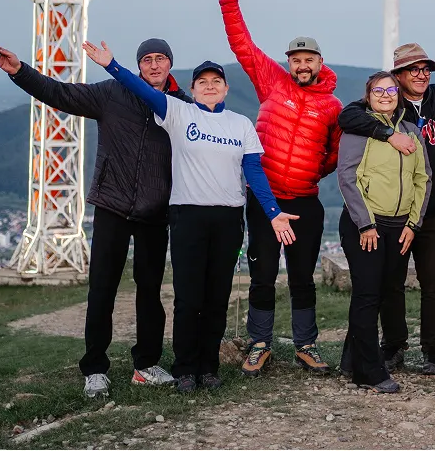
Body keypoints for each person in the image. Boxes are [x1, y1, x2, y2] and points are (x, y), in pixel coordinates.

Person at [82, 43, 299, 393]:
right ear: (192, 88)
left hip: (228, 219)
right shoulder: (179, 112)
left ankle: (208, 367)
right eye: (202, 81)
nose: (210, 85)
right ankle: (184, 368)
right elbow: (141, 89)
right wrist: (112, 66)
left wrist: (273, 213)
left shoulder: (241, 124)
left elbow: (254, 172)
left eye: (217, 81)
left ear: (226, 88)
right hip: (187, 217)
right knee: (188, 298)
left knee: (217, 297)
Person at [0, 39, 191, 399]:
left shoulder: (183, 107)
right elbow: (61, 94)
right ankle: (95, 369)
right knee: (102, 291)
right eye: (146, 60)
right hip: (112, 206)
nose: (154, 65)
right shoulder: (112, 94)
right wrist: (20, 72)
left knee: (150, 293)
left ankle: (146, 365)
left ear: (170, 65)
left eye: (161, 58)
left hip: (155, 212)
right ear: (139, 66)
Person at [219, 0, 342, 376]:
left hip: (304, 202)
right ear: (288, 62)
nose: (301, 64)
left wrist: (308, 174)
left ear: (320, 63)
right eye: (296, 59)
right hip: (264, 200)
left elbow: (334, 155)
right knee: (263, 274)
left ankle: (306, 345)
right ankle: (259, 343)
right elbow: (244, 47)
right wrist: (229, 1)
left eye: (308, 59)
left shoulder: (333, 106)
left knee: (303, 277)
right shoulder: (272, 82)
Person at [337, 43, 435, 376]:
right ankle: (392, 346)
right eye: (413, 70)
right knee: (388, 285)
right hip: (386, 219)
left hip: (430, 212)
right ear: (397, 77)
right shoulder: (383, 107)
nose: (421, 75)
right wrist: (386, 135)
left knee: (434, 283)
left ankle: (433, 352)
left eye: (426, 69)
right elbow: (347, 116)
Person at [336, 71, 432, 393]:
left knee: (384, 293)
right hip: (365, 225)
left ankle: (350, 361)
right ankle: (370, 372)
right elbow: (347, 177)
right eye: (379, 90)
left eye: (392, 89)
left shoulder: (411, 131)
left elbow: (424, 179)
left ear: (399, 94)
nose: (386, 94)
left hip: (399, 226)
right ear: (368, 94)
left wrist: (413, 223)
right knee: (367, 295)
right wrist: (365, 223)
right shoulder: (357, 129)